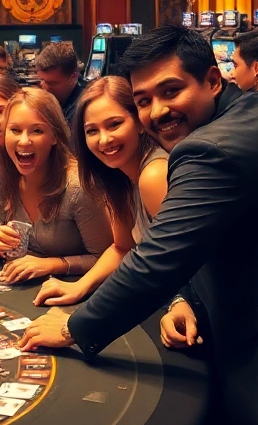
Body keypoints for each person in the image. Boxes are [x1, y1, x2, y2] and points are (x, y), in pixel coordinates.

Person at [20, 26, 258, 425]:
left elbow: (160, 257)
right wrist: (186, 300)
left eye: (171, 91)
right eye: (143, 101)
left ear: (213, 81)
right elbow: (218, 236)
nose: (158, 112)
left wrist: (74, 326)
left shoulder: (210, 148)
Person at [33, 76, 167, 307]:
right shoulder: (117, 178)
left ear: (139, 122)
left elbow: (186, 260)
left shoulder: (154, 175)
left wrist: (175, 301)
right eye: (92, 130)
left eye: (114, 124)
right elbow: (122, 248)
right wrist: (80, 286)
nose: (104, 139)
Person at [0, 88, 112, 283]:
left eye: (36, 130)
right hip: (26, 289)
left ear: (54, 136)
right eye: (15, 130)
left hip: (78, 290)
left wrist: (53, 264)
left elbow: (108, 258)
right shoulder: (1, 177)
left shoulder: (78, 187)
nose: (24, 141)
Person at [35, 42, 83, 125]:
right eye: (42, 80)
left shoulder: (80, 111)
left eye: (52, 83)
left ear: (73, 78)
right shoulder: (55, 101)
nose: (45, 87)